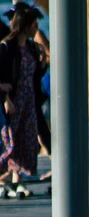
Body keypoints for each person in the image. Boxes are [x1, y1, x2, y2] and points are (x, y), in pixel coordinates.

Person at [0, 2, 47, 197]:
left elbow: (34, 76)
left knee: (25, 140)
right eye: (33, 25)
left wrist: (43, 60)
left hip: (29, 100)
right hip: (12, 101)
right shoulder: (6, 47)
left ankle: (17, 181)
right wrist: (5, 98)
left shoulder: (30, 48)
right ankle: (6, 179)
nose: (35, 28)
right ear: (25, 26)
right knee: (9, 142)